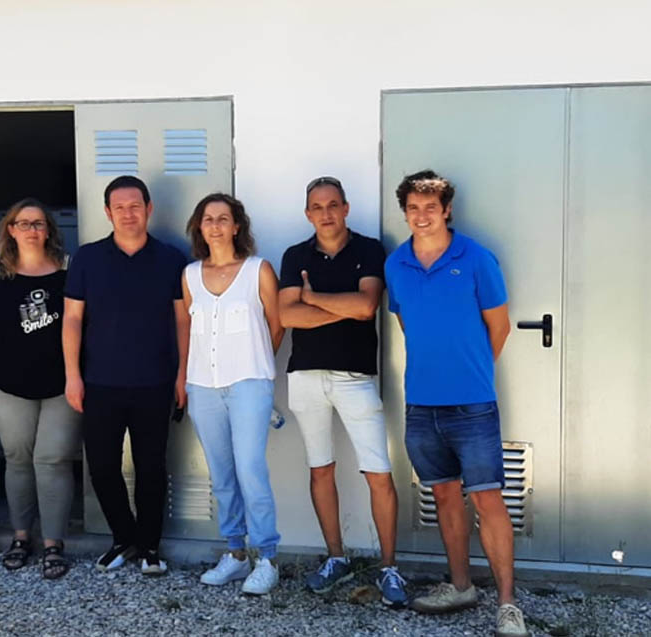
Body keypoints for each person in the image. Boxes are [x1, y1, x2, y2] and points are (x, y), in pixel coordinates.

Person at [385, 170, 527, 637]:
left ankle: (507, 604)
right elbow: (407, 323)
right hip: (421, 405)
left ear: (446, 210)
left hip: (473, 404)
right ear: (405, 213)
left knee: (487, 498)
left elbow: (499, 327)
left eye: (430, 207)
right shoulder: (396, 265)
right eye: (413, 208)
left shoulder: (477, 259)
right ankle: (461, 586)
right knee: (444, 495)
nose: (421, 216)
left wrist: (471, 372)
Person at [278, 176, 407, 607]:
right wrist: (339, 306)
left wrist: (314, 299)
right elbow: (287, 315)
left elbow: (367, 306)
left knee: (378, 472)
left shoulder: (369, 249)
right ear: (307, 213)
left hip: (355, 376)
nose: (326, 213)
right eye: (317, 207)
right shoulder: (295, 255)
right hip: (305, 375)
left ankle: (389, 567)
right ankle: (336, 558)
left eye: (333, 204)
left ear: (346, 208)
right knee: (321, 469)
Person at [62, 175, 188, 576]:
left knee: (152, 468)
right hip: (99, 382)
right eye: (120, 207)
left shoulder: (171, 259)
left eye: (135, 206)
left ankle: (150, 546)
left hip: (155, 381)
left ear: (149, 209)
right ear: (107, 212)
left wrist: (182, 375)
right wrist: (72, 375)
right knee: (101, 467)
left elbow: (183, 321)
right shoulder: (87, 258)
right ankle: (123, 538)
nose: (128, 214)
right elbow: (72, 319)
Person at [0, 198, 80, 579]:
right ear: (11, 230)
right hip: (7, 385)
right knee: (17, 458)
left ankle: (53, 543)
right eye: (24, 223)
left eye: (38, 223)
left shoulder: (68, 272)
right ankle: (20, 537)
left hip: (61, 385)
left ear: (48, 230)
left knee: (52, 459)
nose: (31, 230)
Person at [181, 193, 284, 595]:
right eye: (208, 219)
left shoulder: (258, 270)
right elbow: (188, 331)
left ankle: (267, 558)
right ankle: (236, 552)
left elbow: (277, 324)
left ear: (237, 226)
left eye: (223, 218)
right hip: (203, 386)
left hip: (248, 384)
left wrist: (256, 364)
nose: (216, 226)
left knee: (250, 469)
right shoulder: (190, 275)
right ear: (199, 226)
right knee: (221, 474)